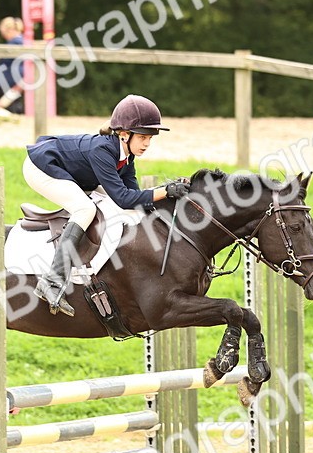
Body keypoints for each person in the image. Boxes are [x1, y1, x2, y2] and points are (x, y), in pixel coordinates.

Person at [23, 94, 190, 316]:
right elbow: (123, 198)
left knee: (121, 205)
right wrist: (164, 191)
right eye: (143, 137)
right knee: (85, 209)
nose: (147, 144)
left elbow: (134, 197)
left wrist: (166, 198)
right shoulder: (102, 150)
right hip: (41, 167)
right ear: (124, 134)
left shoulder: (127, 156)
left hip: (70, 170)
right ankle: (52, 281)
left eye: (150, 138)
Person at [0, 17, 26, 114]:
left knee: (9, 109)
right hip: (15, 82)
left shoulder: (15, 43)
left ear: (9, 29)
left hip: (11, 83)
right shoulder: (22, 41)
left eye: (2, 31)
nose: (2, 35)